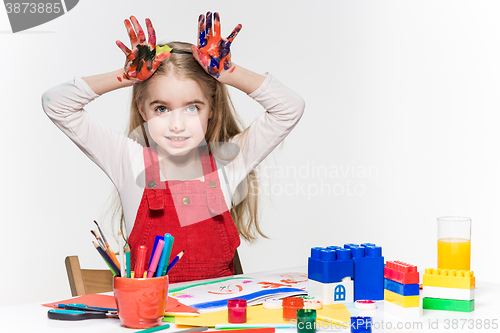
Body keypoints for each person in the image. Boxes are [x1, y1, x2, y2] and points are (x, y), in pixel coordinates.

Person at [42, 12, 305, 283]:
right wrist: (124, 77)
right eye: (161, 108)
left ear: (211, 108)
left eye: (193, 107)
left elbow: (289, 108)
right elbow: (56, 103)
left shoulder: (229, 162)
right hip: (152, 320)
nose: (177, 125)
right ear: (142, 110)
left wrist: (228, 72)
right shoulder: (129, 161)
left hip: (218, 319)